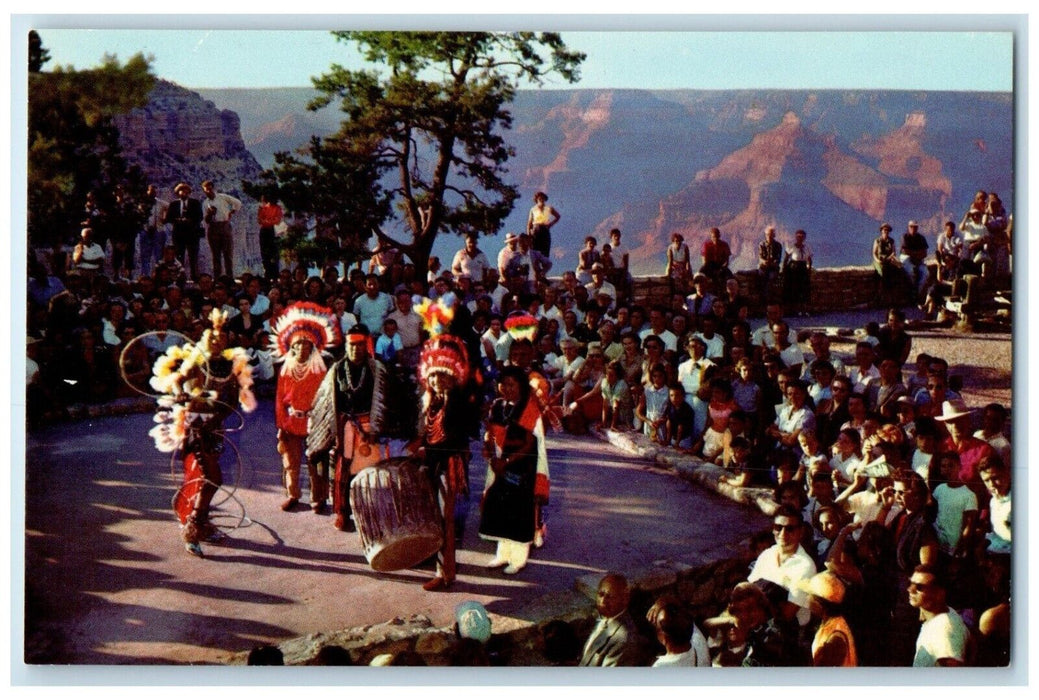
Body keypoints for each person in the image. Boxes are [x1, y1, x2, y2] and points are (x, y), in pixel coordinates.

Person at [307, 323, 392, 532]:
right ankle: (342, 512)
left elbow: (384, 401)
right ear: (347, 346)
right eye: (352, 345)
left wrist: (376, 428)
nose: (356, 349)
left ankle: (368, 515)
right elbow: (326, 401)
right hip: (344, 427)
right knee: (342, 472)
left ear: (366, 345)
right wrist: (328, 429)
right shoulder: (337, 369)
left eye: (360, 345)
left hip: (368, 428)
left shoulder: (376, 369)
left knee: (369, 472)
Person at [411, 333, 472, 591]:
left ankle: (445, 572)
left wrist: (429, 451)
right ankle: (437, 562)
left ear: (452, 377)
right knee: (433, 516)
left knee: (444, 520)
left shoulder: (457, 403)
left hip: (448, 467)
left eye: (443, 376)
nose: (437, 380)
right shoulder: (431, 403)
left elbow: (455, 438)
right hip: (434, 465)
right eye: (433, 376)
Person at [271, 302, 340, 514]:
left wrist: (326, 424)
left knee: (315, 462)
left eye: (306, 344)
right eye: (298, 344)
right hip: (292, 421)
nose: (302, 347)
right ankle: (293, 494)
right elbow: (280, 399)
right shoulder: (286, 368)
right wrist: (281, 424)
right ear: (292, 347)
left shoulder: (319, 369)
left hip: (314, 422)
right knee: (290, 462)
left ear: (312, 346)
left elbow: (327, 399)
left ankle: (318, 498)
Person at [479, 365, 544, 575]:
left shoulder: (529, 407)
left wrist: (505, 462)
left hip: (521, 466)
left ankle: (518, 558)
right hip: (500, 464)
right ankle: (502, 554)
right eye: (503, 384)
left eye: (511, 384)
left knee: (518, 511)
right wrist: (488, 446)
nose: (506, 388)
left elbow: (528, 444)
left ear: (521, 386)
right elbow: (490, 431)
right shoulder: (497, 405)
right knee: (500, 508)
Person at [747, 505, 818, 629]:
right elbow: (747, 591)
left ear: (800, 532)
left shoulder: (806, 566)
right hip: (758, 619)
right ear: (773, 529)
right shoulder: (767, 554)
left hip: (788, 630)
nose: (783, 534)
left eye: (790, 529)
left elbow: (788, 614)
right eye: (778, 527)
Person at [579, 573, 648, 666]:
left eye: (609, 597)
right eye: (601, 594)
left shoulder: (623, 639)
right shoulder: (599, 618)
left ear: (625, 599)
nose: (603, 601)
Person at [908, 564, 970, 666]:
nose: (910, 590)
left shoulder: (943, 630)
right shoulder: (946, 613)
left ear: (939, 593)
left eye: (919, 587)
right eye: (910, 583)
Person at [805, 571, 857, 666]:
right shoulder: (829, 623)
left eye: (810, 595)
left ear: (820, 604)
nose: (807, 598)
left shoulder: (835, 639)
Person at [647, 595, 711, 667]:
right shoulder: (700, 642)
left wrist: (660, 602)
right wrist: (662, 602)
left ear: (662, 637)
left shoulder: (660, 666)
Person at [200, 180, 242, 279]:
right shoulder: (205, 203)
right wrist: (210, 214)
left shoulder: (222, 197)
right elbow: (205, 220)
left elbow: (238, 203)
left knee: (228, 254)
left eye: (210, 189)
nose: (208, 192)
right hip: (213, 227)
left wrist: (232, 211)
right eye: (206, 190)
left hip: (224, 225)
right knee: (216, 255)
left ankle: (229, 276)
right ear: (204, 191)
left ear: (213, 188)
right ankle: (217, 277)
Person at [164, 182, 205, 280]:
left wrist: (190, 221)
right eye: (182, 192)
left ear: (189, 193)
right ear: (178, 192)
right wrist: (178, 220)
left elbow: (200, 216)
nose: (184, 194)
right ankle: (180, 277)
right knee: (179, 256)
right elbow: (169, 218)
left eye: (186, 192)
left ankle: (194, 277)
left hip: (192, 234)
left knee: (193, 256)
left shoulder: (195, 203)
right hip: (179, 234)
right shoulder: (174, 204)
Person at [137, 184, 169, 278]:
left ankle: (158, 275)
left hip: (158, 231)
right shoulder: (141, 204)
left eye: (154, 192)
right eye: (151, 191)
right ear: (147, 192)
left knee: (158, 255)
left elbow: (170, 207)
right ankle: (145, 275)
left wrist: (165, 218)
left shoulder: (161, 203)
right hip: (146, 231)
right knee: (145, 255)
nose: (152, 193)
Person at [782, 229, 812, 316]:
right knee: (794, 288)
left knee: (804, 289)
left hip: (803, 268)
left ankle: (804, 310)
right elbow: (786, 258)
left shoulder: (807, 248)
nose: (800, 238)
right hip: (794, 269)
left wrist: (809, 269)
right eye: (798, 237)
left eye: (802, 237)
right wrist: (784, 269)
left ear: (804, 238)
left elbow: (809, 259)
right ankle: (793, 310)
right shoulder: (792, 247)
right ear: (796, 237)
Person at [900, 220, 929, 304]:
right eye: (911, 226)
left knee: (925, 273)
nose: (913, 228)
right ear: (908, 227)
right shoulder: (904, 237)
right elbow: (905, 251)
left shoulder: (921, 238)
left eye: (915, 227)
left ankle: (917, 295)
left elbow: (925, 253)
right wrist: (917, 253)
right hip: (907, 258)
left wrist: (915, 255)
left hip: (918, 260)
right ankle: (911, 294)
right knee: (911, 272)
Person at [872, 222, 901, 305]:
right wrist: (878, 261)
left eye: (887, 230)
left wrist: (890, 258)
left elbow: (893, 252)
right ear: (881, 231)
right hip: (879, 261)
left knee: (897, 271)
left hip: (888, 260)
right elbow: (874, 253)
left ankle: (892, 296)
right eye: (884, 230)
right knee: (882, 273)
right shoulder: (877, 241)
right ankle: (882, 296)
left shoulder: (891, 241)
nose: (886, 231)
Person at [526, 191, 560, 258]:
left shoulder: (549, 208)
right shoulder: (533, 209)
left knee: (545, 249)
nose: (541, 200)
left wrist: (551, 224)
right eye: (539, 198)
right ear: (537, 200)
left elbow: (558, 216)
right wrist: (528, 235)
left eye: (543, 198)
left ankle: (545, 264)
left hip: (545, 229)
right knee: (535, 248)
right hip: (536, 229)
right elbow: (529, 223)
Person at [257, 194, 283, 280]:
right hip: (264, 232)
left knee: (274, 254)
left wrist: (267, 221)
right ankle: (267, 273)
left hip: (273, 232)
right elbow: (260, 220)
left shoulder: (277, 208)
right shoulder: (262, 208)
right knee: (265, 254)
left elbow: (277, 220)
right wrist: (269, 221)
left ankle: (275, 275)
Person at [757, 226, 783, 302]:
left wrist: (772, 263)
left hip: (773, 268)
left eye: (771, 234)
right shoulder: (762, 244)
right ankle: (762, 298)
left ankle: (769, 299)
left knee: (771, 278)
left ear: (774, 235)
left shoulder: (778, 245)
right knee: (761, 277)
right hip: (764, 267)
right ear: (765, 234)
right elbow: (760, 257)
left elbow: (778, 259)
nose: (769, 236)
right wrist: (764, 262)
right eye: (768, 234)